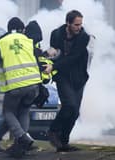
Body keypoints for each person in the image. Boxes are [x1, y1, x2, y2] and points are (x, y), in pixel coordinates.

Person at [0, 17, 42, 158]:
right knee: (24, 111)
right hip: (34, 83)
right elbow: (37, 61)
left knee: (8, 112)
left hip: (16, 85)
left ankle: (23, 137)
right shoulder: (28, 41)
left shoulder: (2, 42)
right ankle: (21, 146)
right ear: (22, 29)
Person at [44, 10, 91, 152]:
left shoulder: (84, 37)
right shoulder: (56, 34)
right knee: (69, 105)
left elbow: (74, 58)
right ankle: (53, 131)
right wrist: (50, 54)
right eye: (76, 24)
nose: (79, 27)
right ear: (68, 23)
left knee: (75, 112)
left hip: (78, 77)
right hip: (63, 76)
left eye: (80, 24)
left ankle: (64, 142)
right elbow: (55, 52)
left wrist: (54, 66)